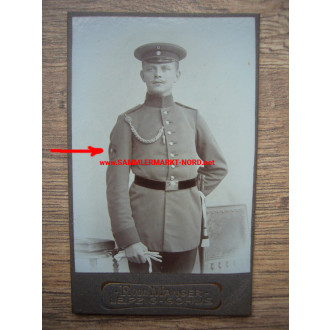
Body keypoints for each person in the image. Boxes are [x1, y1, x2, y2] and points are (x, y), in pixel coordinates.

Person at [106, 42, 228, 273]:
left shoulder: (192, 117)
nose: (158, 74)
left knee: (181, 297)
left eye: (166, 69)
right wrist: (128, 237)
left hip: (187, 224)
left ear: (177, 74)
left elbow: (217, 167)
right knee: (143, 298)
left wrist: (192, 194)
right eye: (151, 69)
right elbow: (116, 187)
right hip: (143, 227)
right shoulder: (127, 121)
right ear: (142, 75)